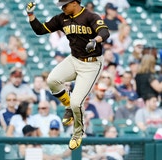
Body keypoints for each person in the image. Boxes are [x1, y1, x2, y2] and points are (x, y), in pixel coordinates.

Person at [25, 0, 110, 150]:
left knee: (78, 103)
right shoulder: (61, 18)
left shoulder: (90, 16)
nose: (62, 7)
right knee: (52, 80)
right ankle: (68, 105)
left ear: (75, 3)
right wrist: (31, 14)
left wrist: (96, 40)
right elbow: (40, 30)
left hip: (91, 64)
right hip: (74, 59)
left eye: (65, 4)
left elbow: (105, 32)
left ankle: (77, 134)